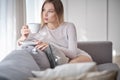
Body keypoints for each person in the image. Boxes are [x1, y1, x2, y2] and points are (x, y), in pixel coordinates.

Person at [17, 0, 92, 68]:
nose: (45, 14)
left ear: (58, 13)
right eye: (43, 10)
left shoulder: (69, 26)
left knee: (68, 67)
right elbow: (21, 44)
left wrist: (51, 46)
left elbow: (73, 54)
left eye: (50, 11)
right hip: (61, 61)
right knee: (65, 68)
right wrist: (23, 37)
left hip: (78, 57)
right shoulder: (38, 29)